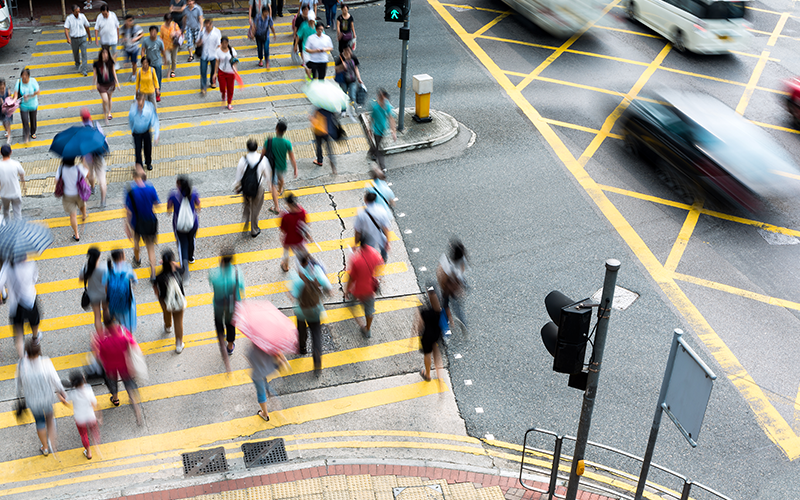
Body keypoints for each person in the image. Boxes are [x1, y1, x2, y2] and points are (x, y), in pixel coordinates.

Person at [15, 340, 68, 456]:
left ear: (27, 352)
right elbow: (56, 380)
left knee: (39, 422)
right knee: (50, 417)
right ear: (39, 351)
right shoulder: (46, 363)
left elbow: (17, 383)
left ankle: (45, 447)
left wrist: (18, 395)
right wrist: (62, 393)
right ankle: (53, 443)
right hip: (47, 398)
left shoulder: (21, 364)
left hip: (33, 401)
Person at [289, 254, 332, 374]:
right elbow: (329, 288)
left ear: (299, 263)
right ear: (308, 261)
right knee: (316, 335)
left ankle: (302, 348)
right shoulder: (317, 272)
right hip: (315, 310)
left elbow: (294, 296)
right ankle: (317, 363)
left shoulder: (297, 277)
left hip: (301, 311)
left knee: (301, 330)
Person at [95, 316, 142, 425]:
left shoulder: (104, 341)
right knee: (129, 385)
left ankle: (115, 398)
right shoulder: (123, 336)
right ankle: (137, 410)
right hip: (125, 366)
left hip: (111, 367)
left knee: (112, 383)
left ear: (106, 326)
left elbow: (101, 357)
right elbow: (132, 344)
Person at [209, 252, 244, 371]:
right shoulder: (236, 272)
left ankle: (220, 337)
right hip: (232, 305)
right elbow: (241, 288)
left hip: (218, 304)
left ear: (222, 261)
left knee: (219, 322)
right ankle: (230, 346)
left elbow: (211, 284)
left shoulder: (213, 273)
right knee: (230, 324)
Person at [0, 258, 40, 357]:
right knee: (34, 321)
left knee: (18, 333)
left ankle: (22, 358)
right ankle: (35, 338)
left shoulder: (7, 266)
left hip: (15, 305)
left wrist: (3, 296)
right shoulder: (30, 263)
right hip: (30, 299)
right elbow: (35, 277)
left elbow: (0, 283)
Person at [126, 169, 161, 280]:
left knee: (136, 244)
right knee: (150, 247)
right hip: (150, 221)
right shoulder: (150, 188)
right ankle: (153, 273)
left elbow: (128, 211)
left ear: (133, 177)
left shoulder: (131, 191)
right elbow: (157, 205)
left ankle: (137, 260)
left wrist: (127, 226)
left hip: (136, 223)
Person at [345, 239, 382, 338]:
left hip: (358, 289)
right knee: (369, 311)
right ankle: (367, 329)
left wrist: (346, 290)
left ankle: (352, 305)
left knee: (352, 302)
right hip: (370, 289)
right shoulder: (374, 253)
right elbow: (380, 263)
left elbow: (351, 278)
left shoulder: (357, 260)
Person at [234, 139, 269, 237]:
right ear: (257, 148)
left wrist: (237, 187)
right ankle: (254, 230)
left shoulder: (243, 159)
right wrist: (270, 186)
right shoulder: (263, 159)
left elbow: (238, 176)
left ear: (247, 148)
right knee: (255, 208)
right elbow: (267, 176)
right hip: (258, 188)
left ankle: (246, 220)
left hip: (246, 187)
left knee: (247, 205)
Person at [153, 249, 186, 353]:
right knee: (178, 321)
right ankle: (179, 345)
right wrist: (173, 263)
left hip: (164, 299)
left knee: (166, 313)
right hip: (177, 299)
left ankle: (168, 327)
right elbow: (182, 269)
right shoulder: (178, 272)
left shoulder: (159, 277)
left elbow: (156, 290)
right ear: (172, 261)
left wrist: (159, 298)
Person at [262, 121, 297, 215]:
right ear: (285, 131)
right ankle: (280, 189)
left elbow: (263, 153)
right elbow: (292, 157)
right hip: (282, 166)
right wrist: (295, 169)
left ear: (276, 128)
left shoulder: (269, 141)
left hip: (272, 166)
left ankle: (276, 207)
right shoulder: (287, 142)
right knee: (281, 178)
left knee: (272, 185)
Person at [167, 175, 200, 275]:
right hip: (192, 224)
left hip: (179, 226)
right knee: (191, 239)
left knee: (182, 245)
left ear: (178, 184)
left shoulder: (173, 195)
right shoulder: (193, 193)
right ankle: (191, 257)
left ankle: (184, 265)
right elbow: (198, 207)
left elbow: (168, 210)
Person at [247, 344, 287, 422]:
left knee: (261, 393)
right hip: (269, 370)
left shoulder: (252, 351)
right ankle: (276, 402)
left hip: (258, 374)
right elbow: (277, 354)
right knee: (267, 386)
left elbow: (252, 362)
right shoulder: (269, 344)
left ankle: (265, 414)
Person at [68, 371, 101, 460]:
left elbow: (66, 402)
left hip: (80, 418)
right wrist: (99, 416)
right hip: (90, 416)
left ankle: (89, 452)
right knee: (93, 430)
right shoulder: (88, 389)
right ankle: (96, 443)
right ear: (83, 379)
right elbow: (94, 403)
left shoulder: (72, 393)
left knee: (83, 435)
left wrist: (60, 396)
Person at [437, 240, 469, 333]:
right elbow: (462, 271)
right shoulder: (462, 259)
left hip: (447, 287)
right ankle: (463, 323)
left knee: (445, 303)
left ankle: (449, 321)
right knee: (457, 305)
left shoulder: (447, 262)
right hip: (457, 286)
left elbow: (441, 276)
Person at [104, 249, 138, 334]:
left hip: (113, 300)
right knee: (128, 319)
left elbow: (105, 285)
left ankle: (120, 333)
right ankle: (128, 336)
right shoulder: (127, 267)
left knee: (118, 318)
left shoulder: (109, 269)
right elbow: (135, 280)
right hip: (127, 299)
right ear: (122, 256)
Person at [55, 157, 88, 241]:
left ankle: (76, 234)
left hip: (67, 195)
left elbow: (56, 181)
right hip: (78, 193)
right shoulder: (78, 167)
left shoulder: (61, 169)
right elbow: (87, 175)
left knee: (73, 215)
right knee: (82, 204)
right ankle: (84, 216)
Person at [81, 109, 108, 208]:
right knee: (102, 177)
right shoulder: (97, 126)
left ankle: (92, 188)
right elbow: (105, 140)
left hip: (89, 157)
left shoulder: (82, 130)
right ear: (90, 118)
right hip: (99, 155)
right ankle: (103, 201)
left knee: (91, 174)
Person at [354, 191, 391, 262]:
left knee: (368, 258)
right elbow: (386, 228)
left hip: (367, 240)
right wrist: (388, 241)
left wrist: (355, 244)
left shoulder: (361, 213)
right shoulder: (382, 210)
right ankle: (383, 261)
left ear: (365, 200)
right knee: (383, 253)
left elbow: (357, 231)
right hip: (381, 238)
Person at [417, 287, 444, 383]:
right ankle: (439, 377)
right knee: (436, 354)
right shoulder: (440, 311)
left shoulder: (425, 312)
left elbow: (420, 326)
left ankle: (427, 374)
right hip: (436, 334)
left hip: (427, 336)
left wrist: (418, 334)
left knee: (427, 354)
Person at [80, 247, 109, 334]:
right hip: (104, 293)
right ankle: (109, 333)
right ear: (99, 256)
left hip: (93, 295)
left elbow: (81, 279)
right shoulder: (104, 268)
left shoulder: (85, 268)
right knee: (106, 311)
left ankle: (101, 338)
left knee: (97, 316)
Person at [129, 92, 160, 171]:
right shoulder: (133, 109)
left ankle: (148, 163)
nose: (140, 104)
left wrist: (156, 134)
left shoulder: (149, 108)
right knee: (138, 151)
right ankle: (140, 166)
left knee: (148, 149)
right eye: (138, 102)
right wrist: (132, 129)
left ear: (144, 101)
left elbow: (155, 120)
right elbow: (131, 120)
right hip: (136, 132)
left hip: (146, 131)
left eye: (141, 102)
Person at [369, 89, 396, 173]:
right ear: (380, 99)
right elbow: (372, 118)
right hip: (376, 130)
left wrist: (393, 131)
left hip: (383, 129)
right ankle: (382, 166)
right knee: (380, 148)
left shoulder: (387, 106)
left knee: (377, 145)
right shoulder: (375, 107)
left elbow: (391, 118)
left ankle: (371, 153)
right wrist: (370, 129)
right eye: (383, 99)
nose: (385, 101)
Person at [279, 193, 309, 272]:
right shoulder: (302, 212)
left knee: (286, 253)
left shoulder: (285, 216)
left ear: (288, 204)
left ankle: (285, 266)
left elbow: (283, 230)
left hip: (289, 239)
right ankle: (304, 263)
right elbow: (305, 224)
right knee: (302, 251)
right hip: (299, 238)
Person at [93, 48, 120, 124]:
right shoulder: (97, 63)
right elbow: (95, 75)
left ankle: (109, 112)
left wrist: (118, 83)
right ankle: (105, 115)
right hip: (101, 84)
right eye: (103, 54)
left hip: (110, 83)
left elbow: (114, 72)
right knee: (105, 100)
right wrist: (94, 84)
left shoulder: (111, 62)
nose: (105, 55)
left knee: (109, 98)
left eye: (106, 54)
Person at [13, 69, 40, 144]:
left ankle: (33, 132)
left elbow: (38, 92)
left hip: (33, 104)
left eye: (26, 75)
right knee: (25, 121)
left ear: (29, 76)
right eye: (23, 75)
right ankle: (26, 136)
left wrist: (30, 95)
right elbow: (16, 93)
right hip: (23, 105)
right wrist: (13, 101)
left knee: (33, 119)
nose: (24, 77)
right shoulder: (19, 82)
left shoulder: (33, 81)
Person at [65, 4, 92, 76]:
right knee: (75, 53)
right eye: (76, 12)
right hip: (74, 39)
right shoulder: (69, 18)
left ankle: (84, 69)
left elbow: (87, 26)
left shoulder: (82, 17)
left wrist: (89, 36)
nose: (78, 13)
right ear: (72, 11)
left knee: (84, 54)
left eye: (79, 11)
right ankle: (77, 63)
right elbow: (66, 29)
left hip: (82, 37)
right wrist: (68, 38)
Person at [0, 144, 26, 220]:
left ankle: (8, 229)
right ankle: (19, 229)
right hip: (16, 193)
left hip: (4, 194)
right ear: (11, 152)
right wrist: (24, 186)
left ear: (0, 153)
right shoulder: (16, 164)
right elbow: (22, 174)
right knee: (18, 213)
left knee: (6, 211)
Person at [310, 107, 338, 174]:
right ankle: (333, 167)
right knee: (329, 148)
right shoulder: (330, 109)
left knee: (319, 145)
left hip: (318, 131)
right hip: (327, 131)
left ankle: (319, 161)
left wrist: (310, 118)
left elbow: (314, 120)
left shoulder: (318, 109)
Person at [141, 26, 165, 101]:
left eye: (154, 32)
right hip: (149, 63)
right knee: (149, 78)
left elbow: (162, 51)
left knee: (157, 78)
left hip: (157, 62)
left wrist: (165, 60)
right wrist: (143, 59)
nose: (153, 33)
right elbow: (143, 50)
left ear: (157, 33)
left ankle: (158, 93)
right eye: (151, 32)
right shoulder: (146, 41)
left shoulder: (160, 41)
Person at [197, 18, 221, 96]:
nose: (206, 28)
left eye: (208, 26)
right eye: (205, 26)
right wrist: (199, 42)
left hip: (213, 55)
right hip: (204, 55)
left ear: (211, 25)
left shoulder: (216, 33)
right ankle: (203, 87)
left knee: (213, 69)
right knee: (203, 71)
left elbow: (219, 45)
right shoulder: (202, 32)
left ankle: (212, 81)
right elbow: (197, 43)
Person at [214, 36, 238, 110]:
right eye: (223, 43)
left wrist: (235, 70)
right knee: (222, 87)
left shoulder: (232, 51)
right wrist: (215, 73)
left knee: (230, 88)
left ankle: (229, 103)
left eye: (226, 43)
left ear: (228, 43)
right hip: (222, 71)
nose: (224, 45)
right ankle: (223, 94)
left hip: (230, 72)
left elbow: (234, 61)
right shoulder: (218, 51)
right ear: (220, 43)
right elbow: (217, 63)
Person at [94, 5, 120, 69]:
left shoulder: (113, 15)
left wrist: (118, 36)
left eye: (105, 14)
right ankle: (106, 64)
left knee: (114, 52)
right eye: (103, 14)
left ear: (108, 11)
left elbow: (117, 26)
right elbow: (96, 28)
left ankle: (115, 64)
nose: (104, 15)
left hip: (113, 38)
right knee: (105, 53)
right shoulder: (99, 17)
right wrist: (96, 38)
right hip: (104, 39)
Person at [121, 15, 143, 82]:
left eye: (130, 20)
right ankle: (127, 75)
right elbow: (122, 34)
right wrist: (124, 39)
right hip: (127, 47)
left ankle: (133, 75)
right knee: (126, 63)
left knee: (134, 62)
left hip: (134, 48)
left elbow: (142, 34)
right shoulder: (123, 28)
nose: (129, 22)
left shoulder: (136, 27)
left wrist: (136, 38)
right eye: (128, 20)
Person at [160, 14, 182, 79]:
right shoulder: (162, 27)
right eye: (167, 21)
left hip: (174, 45)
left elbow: (180, 32)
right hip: (166, 45)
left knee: (174, 59)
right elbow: (161, 37)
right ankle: (169, 70)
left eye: (169, 20)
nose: (168, 22)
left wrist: (175, 33)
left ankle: (172, 70)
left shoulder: (175, 25)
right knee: (168, 60)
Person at [295, 12, 316, 78]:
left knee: (314, 65)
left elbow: (322, 34)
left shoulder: (317, 25)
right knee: (307, 65)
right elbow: (298, 35)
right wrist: (295, 46)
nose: (312, 23)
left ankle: (312, 76)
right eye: (310, 21)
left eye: (313, 21)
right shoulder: (304, 26)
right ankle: (309, 78)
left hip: (315, 49)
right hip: (305, 49)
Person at [0, 79, 14, 144]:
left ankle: (9, 137)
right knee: (3, 122)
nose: (2, 89)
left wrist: (6, 101)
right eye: (1, 88)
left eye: (3, 87)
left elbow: (10, 99)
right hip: (0, 110)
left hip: (7, 110)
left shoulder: (7, 91)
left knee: (7, 123)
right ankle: (6, 131)